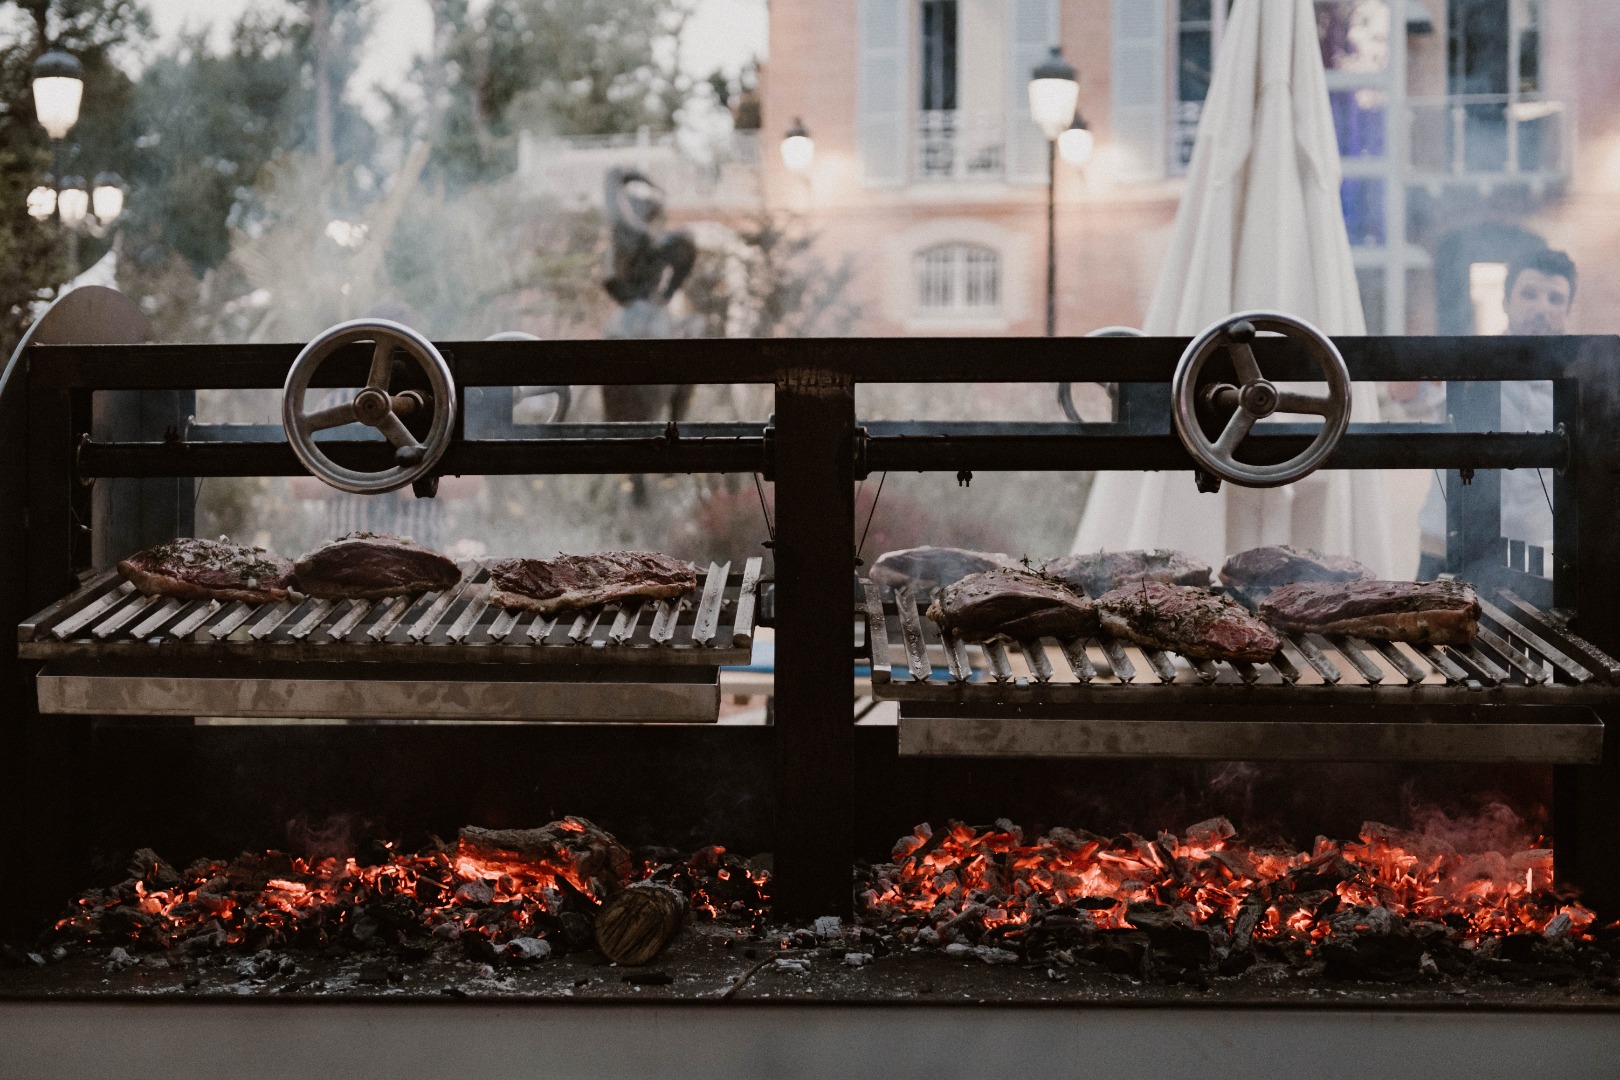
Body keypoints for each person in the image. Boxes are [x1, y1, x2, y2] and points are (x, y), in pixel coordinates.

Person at [1418, 248, 1575, 577]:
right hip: (1446, 550)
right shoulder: (1468, 363)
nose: (1541, 308)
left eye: (1555, 298)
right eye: (1529, 294)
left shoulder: (1579, 387)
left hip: (1532, 559)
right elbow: (1405, 393)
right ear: (1506, 302)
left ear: (1568, 311)